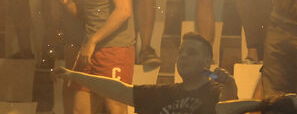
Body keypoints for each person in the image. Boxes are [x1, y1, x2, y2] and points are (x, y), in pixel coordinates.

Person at [54, 32, 238, 114]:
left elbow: (228, 104)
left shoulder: (214, 91)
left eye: (191, 53)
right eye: (181, 51)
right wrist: (71, 74)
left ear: (207, 62)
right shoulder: (166, 93)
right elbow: (119, 90)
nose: (182, 56)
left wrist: (230, 84)